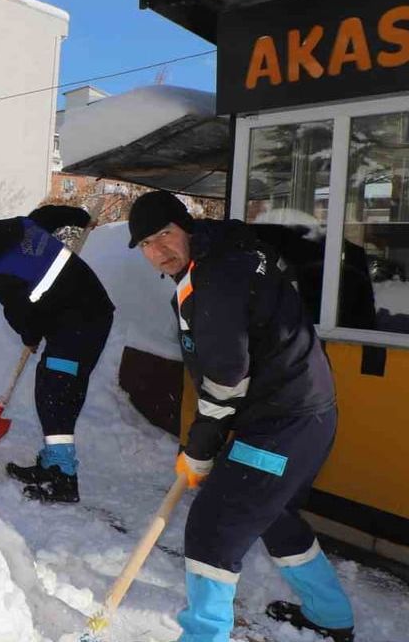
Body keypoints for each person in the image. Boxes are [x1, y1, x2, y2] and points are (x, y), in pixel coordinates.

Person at [128, 190, 354, 642]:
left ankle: (203, 636)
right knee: (270, 512)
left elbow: (228, 375)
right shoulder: (221, 254)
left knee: (215, 525)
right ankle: (330, 616)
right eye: (147, 245)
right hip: (301, 416)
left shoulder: (217, 275)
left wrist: (201, 449)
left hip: (284, 423)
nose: (159, 251)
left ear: (185, 226)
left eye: (165, 235)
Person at [0, 207, 114, 503]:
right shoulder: (21, 225)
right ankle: (53, 462)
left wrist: (30, 335)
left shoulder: (0, 267)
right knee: (58, 387)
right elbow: (50, 214)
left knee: (54, 394)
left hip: (78, 322)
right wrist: (79, 216)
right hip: (88, 313)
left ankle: (64, 478)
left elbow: (20, 314)